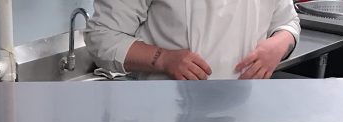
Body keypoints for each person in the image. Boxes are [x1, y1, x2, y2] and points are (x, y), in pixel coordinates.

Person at [85, 0, 300, 81]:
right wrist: (163, 59)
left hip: (248, 118)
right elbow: (102, 36)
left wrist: (279, 45)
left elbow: (287, 22)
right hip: (168, 120)